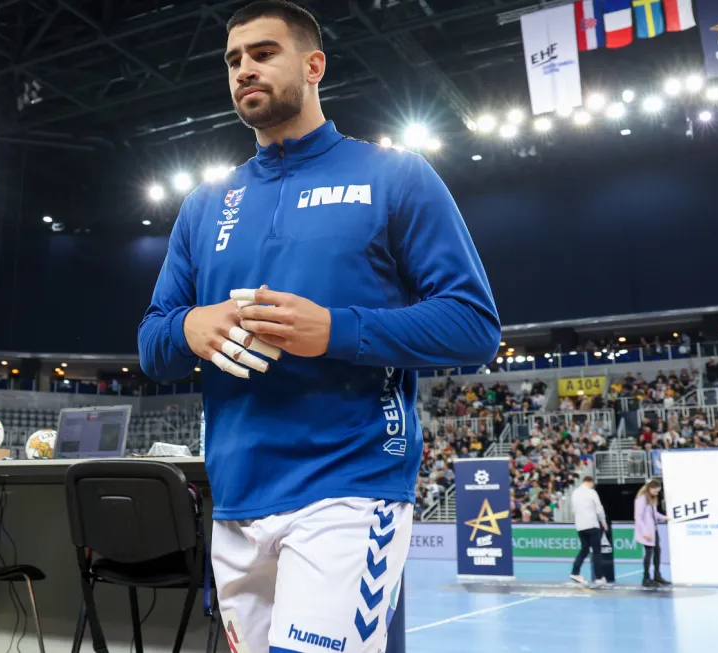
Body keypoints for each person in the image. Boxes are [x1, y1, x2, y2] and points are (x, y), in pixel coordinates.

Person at [137, 2, 501, 651]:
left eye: (262, 52)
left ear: (313, 65)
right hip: (237, 499)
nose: (243, 68)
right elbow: (152, 343)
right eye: (232, 59)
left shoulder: (394, 176)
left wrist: (336, 329)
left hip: (348, 489)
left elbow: (473, 323)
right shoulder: (204, 205)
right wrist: (193, 326)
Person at [569, 476, 606, 585]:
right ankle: (599, 577)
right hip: (592, 524)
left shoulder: (574, 493)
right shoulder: (592, 492)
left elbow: (573, 510)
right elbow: (599, 509)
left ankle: (575, 572)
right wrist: (603, 522)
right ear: (590, 482)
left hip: (580, 526)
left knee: (584, 550)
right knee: (596, 551)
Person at [633, 479, 668, 587]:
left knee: (657, 551)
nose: (657, 493)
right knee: (649, 554)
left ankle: (657, 575)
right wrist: (645, 532)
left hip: (653, 529)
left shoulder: (651, 499)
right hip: (647, 532)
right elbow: (638, 517)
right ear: (650, 489)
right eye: (656, 491)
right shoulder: (641, 499)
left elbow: (654, 514)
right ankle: (646, 578)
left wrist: (664, 517)